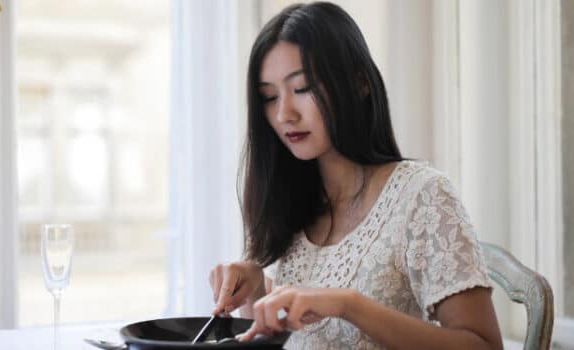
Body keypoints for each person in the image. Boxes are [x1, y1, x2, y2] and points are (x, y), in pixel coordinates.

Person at [208, 2, 504, 349]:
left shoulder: (421, 195)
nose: (284, 113)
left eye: (302, 88)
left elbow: (485, 345)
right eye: (270, 97)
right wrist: (258, 291)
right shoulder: (295, 203)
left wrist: (348, 304)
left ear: (360, 83)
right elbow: (313, 332)